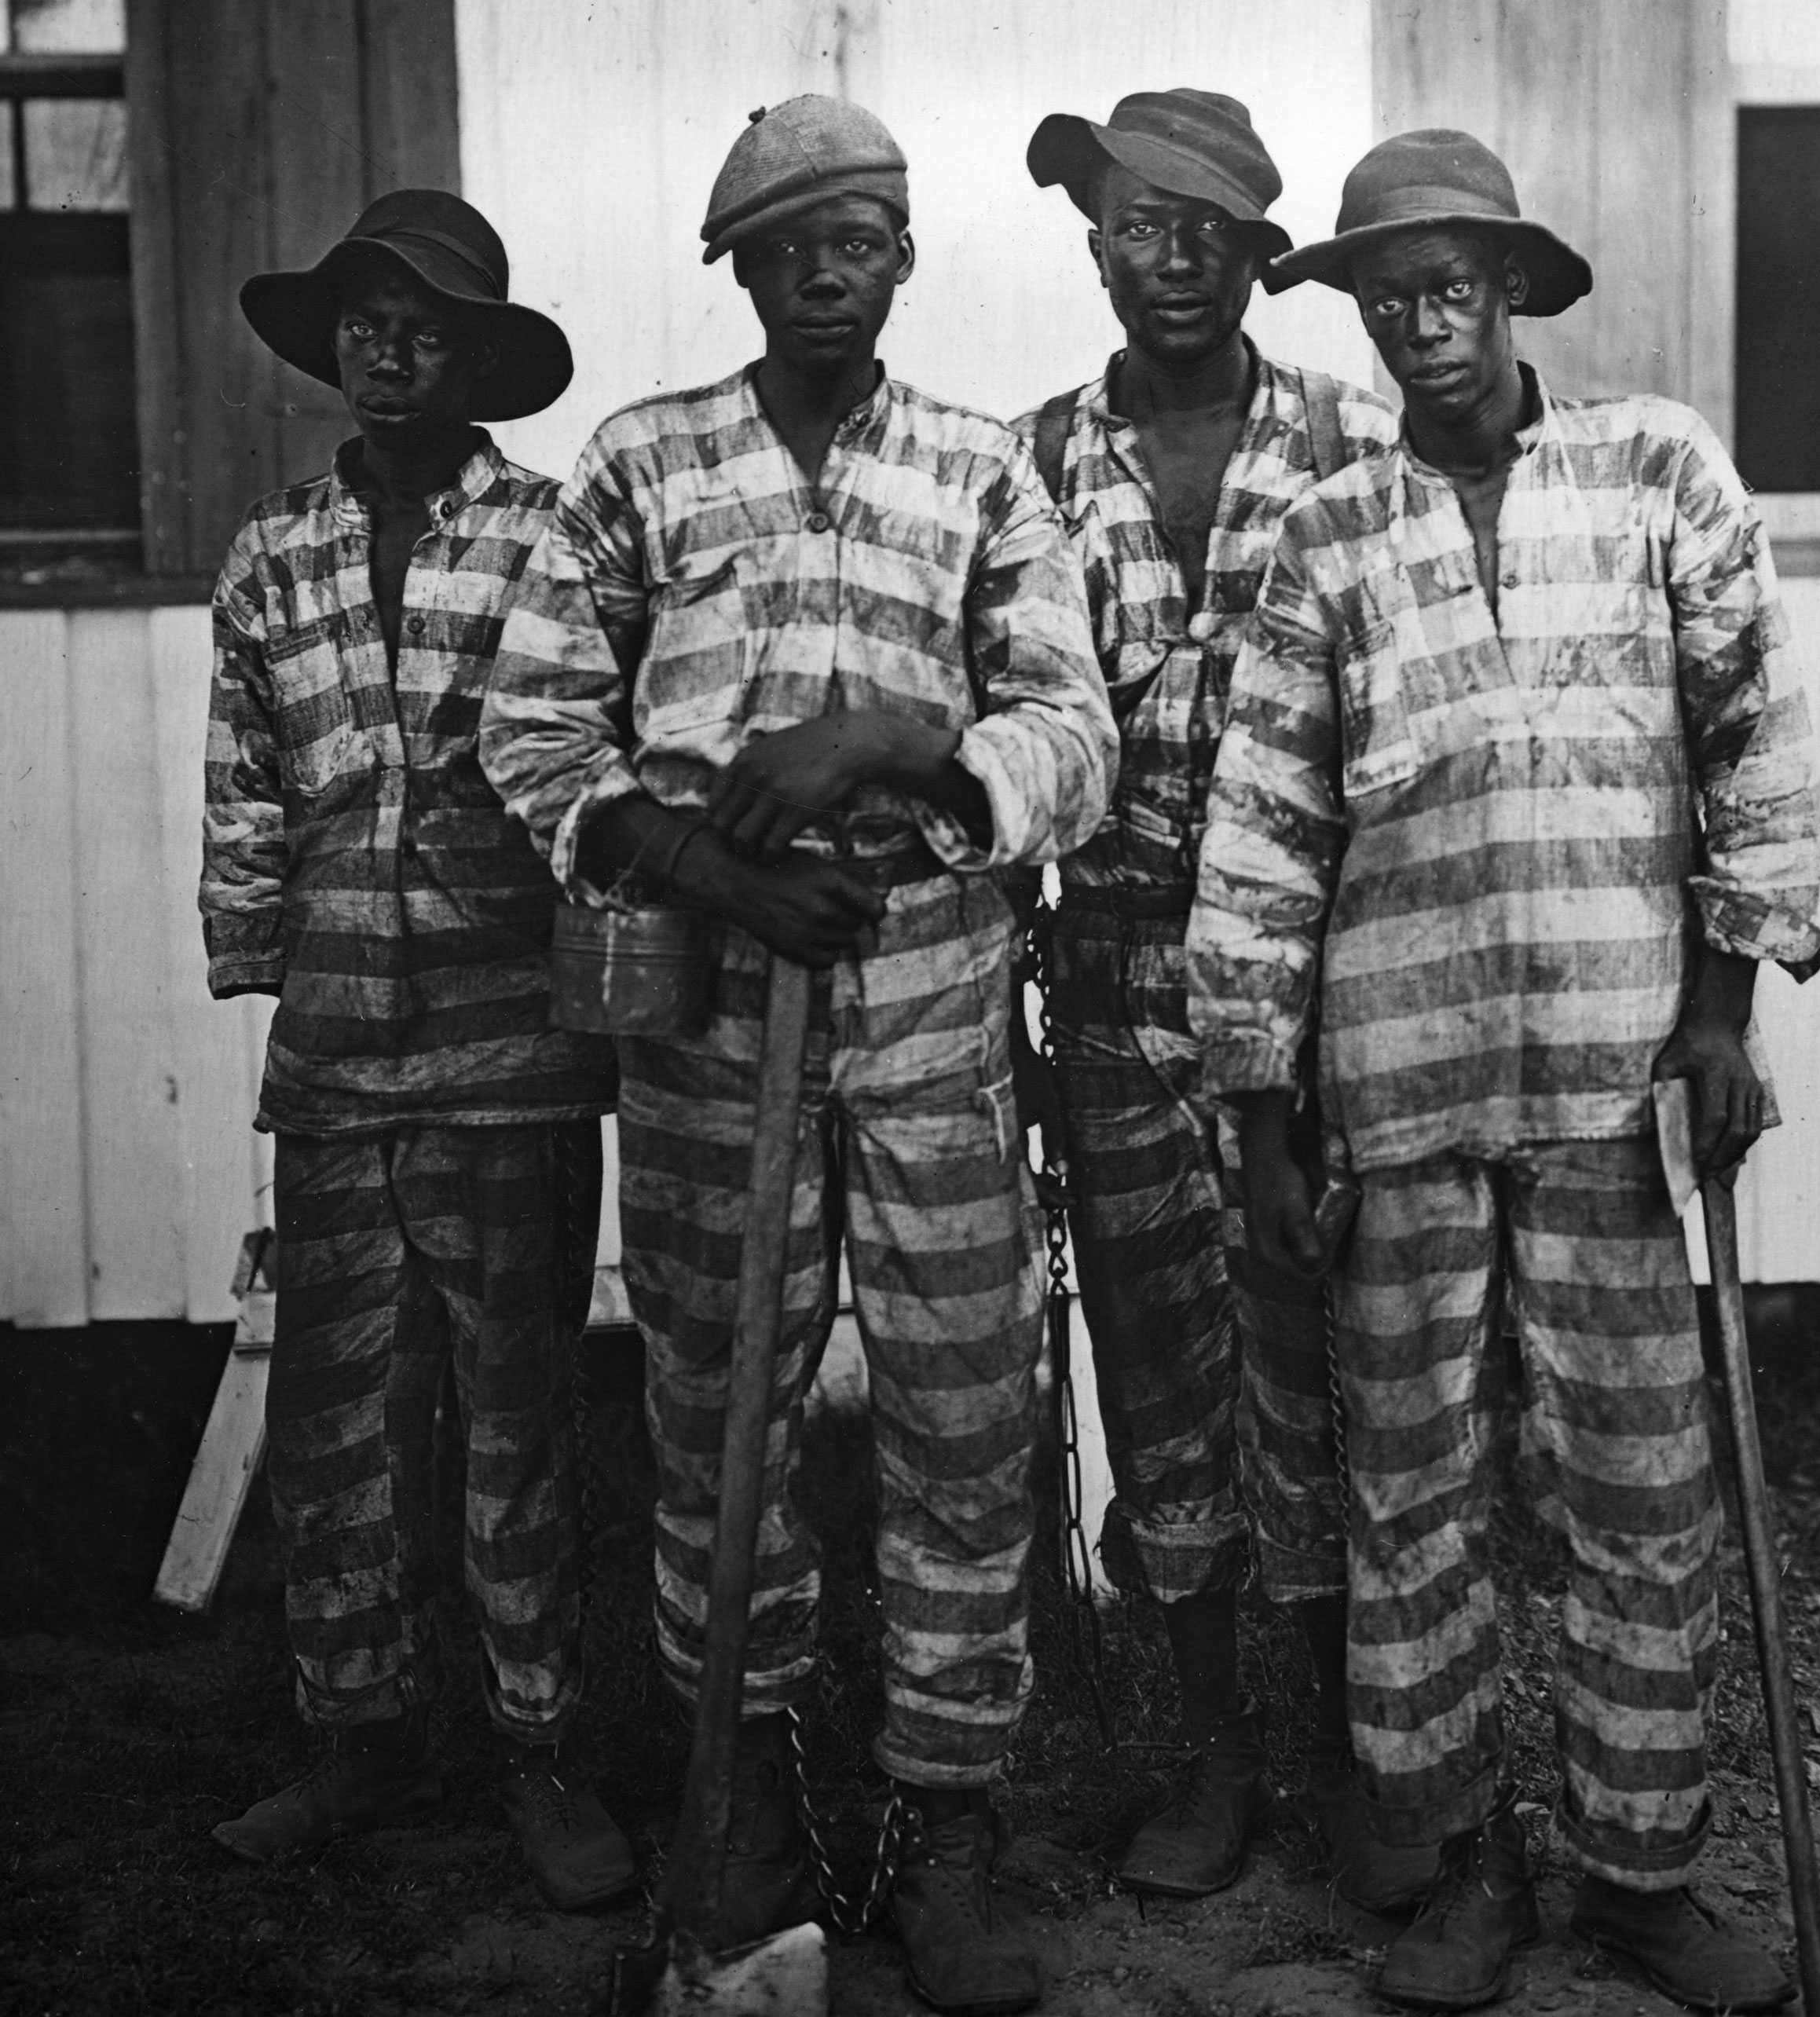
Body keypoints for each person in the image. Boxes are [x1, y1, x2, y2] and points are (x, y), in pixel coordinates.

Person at [480, 97, 1115, 2017]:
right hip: (706, 1029)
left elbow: (1072, 732)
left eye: (856, 241)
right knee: (718, 1408)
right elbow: (533, 733)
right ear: (739, 272)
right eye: (785, 249)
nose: (824, 274)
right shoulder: (641, 467)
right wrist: (694, 863)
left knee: (958, 1419)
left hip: (927, 1025)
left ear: (906, 259)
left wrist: (892, 754)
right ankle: (740, 1804)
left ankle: (943, 1822)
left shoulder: (984, 474)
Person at [1188, 130, 1820, 2013]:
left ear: (1515, 289)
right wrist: (1260, 1116)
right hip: (1394, 1098)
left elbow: (1757, 748)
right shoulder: (1325, 541)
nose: (1419, 318)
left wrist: (1721, 1012)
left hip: (1624, 1083)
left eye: (1452, 281)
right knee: (1412, 1488)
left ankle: (1639, 1876)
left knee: (1636, 1487)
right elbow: (1263, 838)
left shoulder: (1655, 471)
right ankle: (1459, 1859)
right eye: (1386, 293)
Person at [1011, 89, 1430, 1912]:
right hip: (1107, 992)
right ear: (1095, 242)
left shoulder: (1354, 443)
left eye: (1203, 231)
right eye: (1132, 225)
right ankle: (1207, 1762)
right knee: (1164, 1373)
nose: (1166, 260)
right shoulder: (1029, 459)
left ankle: (1355, 1759)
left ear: (1263, 254)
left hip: (1317, 1000)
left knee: (1325, 1371)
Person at [200, 191, 634, 1911]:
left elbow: (589, 759)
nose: (391, 353)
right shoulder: (270, 555)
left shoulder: (549, 540)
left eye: (427, 327)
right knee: (335, 1420)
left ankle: (542, 1751)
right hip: (334, 1058)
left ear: (479, 360)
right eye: (365, 324)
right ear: (337, 348)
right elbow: (247, 779)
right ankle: (355, 1743)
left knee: (518, 1415)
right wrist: (261, 946)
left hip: (510, 1049)